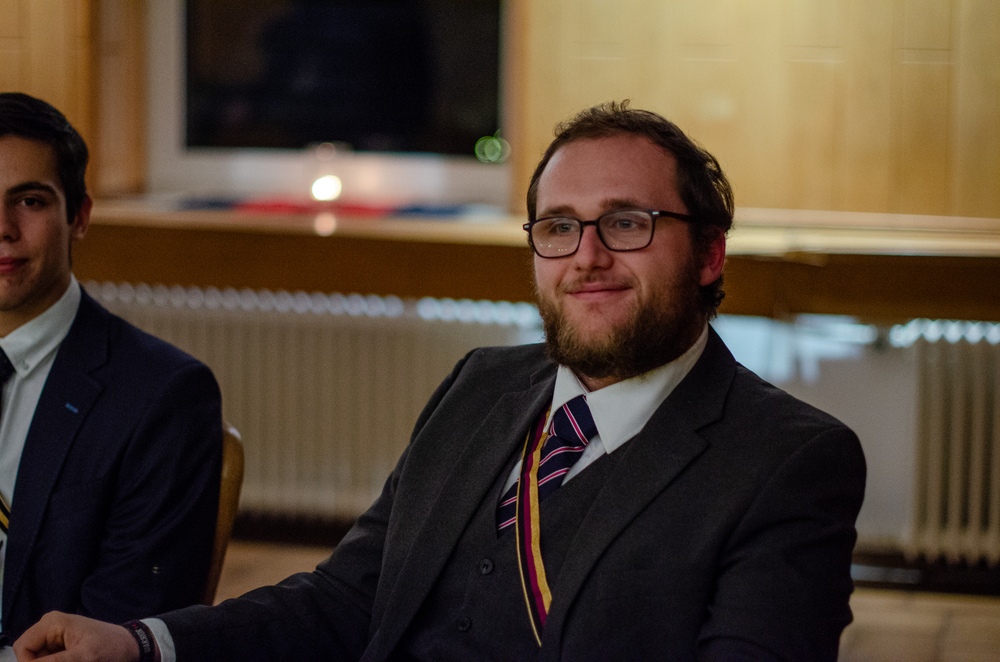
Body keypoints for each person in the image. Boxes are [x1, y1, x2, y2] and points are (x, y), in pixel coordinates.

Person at [14, 101, 865, 661]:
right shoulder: (482, 386)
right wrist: (141, 644)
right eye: (559, 227)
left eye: (628, 223)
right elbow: (346, 600)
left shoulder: (787, 463)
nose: (588, 257)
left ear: (709, 253)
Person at [0, 92, 223, 649]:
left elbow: (120, 633)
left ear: (79, 217)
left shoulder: (162, 396)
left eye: (29, 201)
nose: (2, 227)